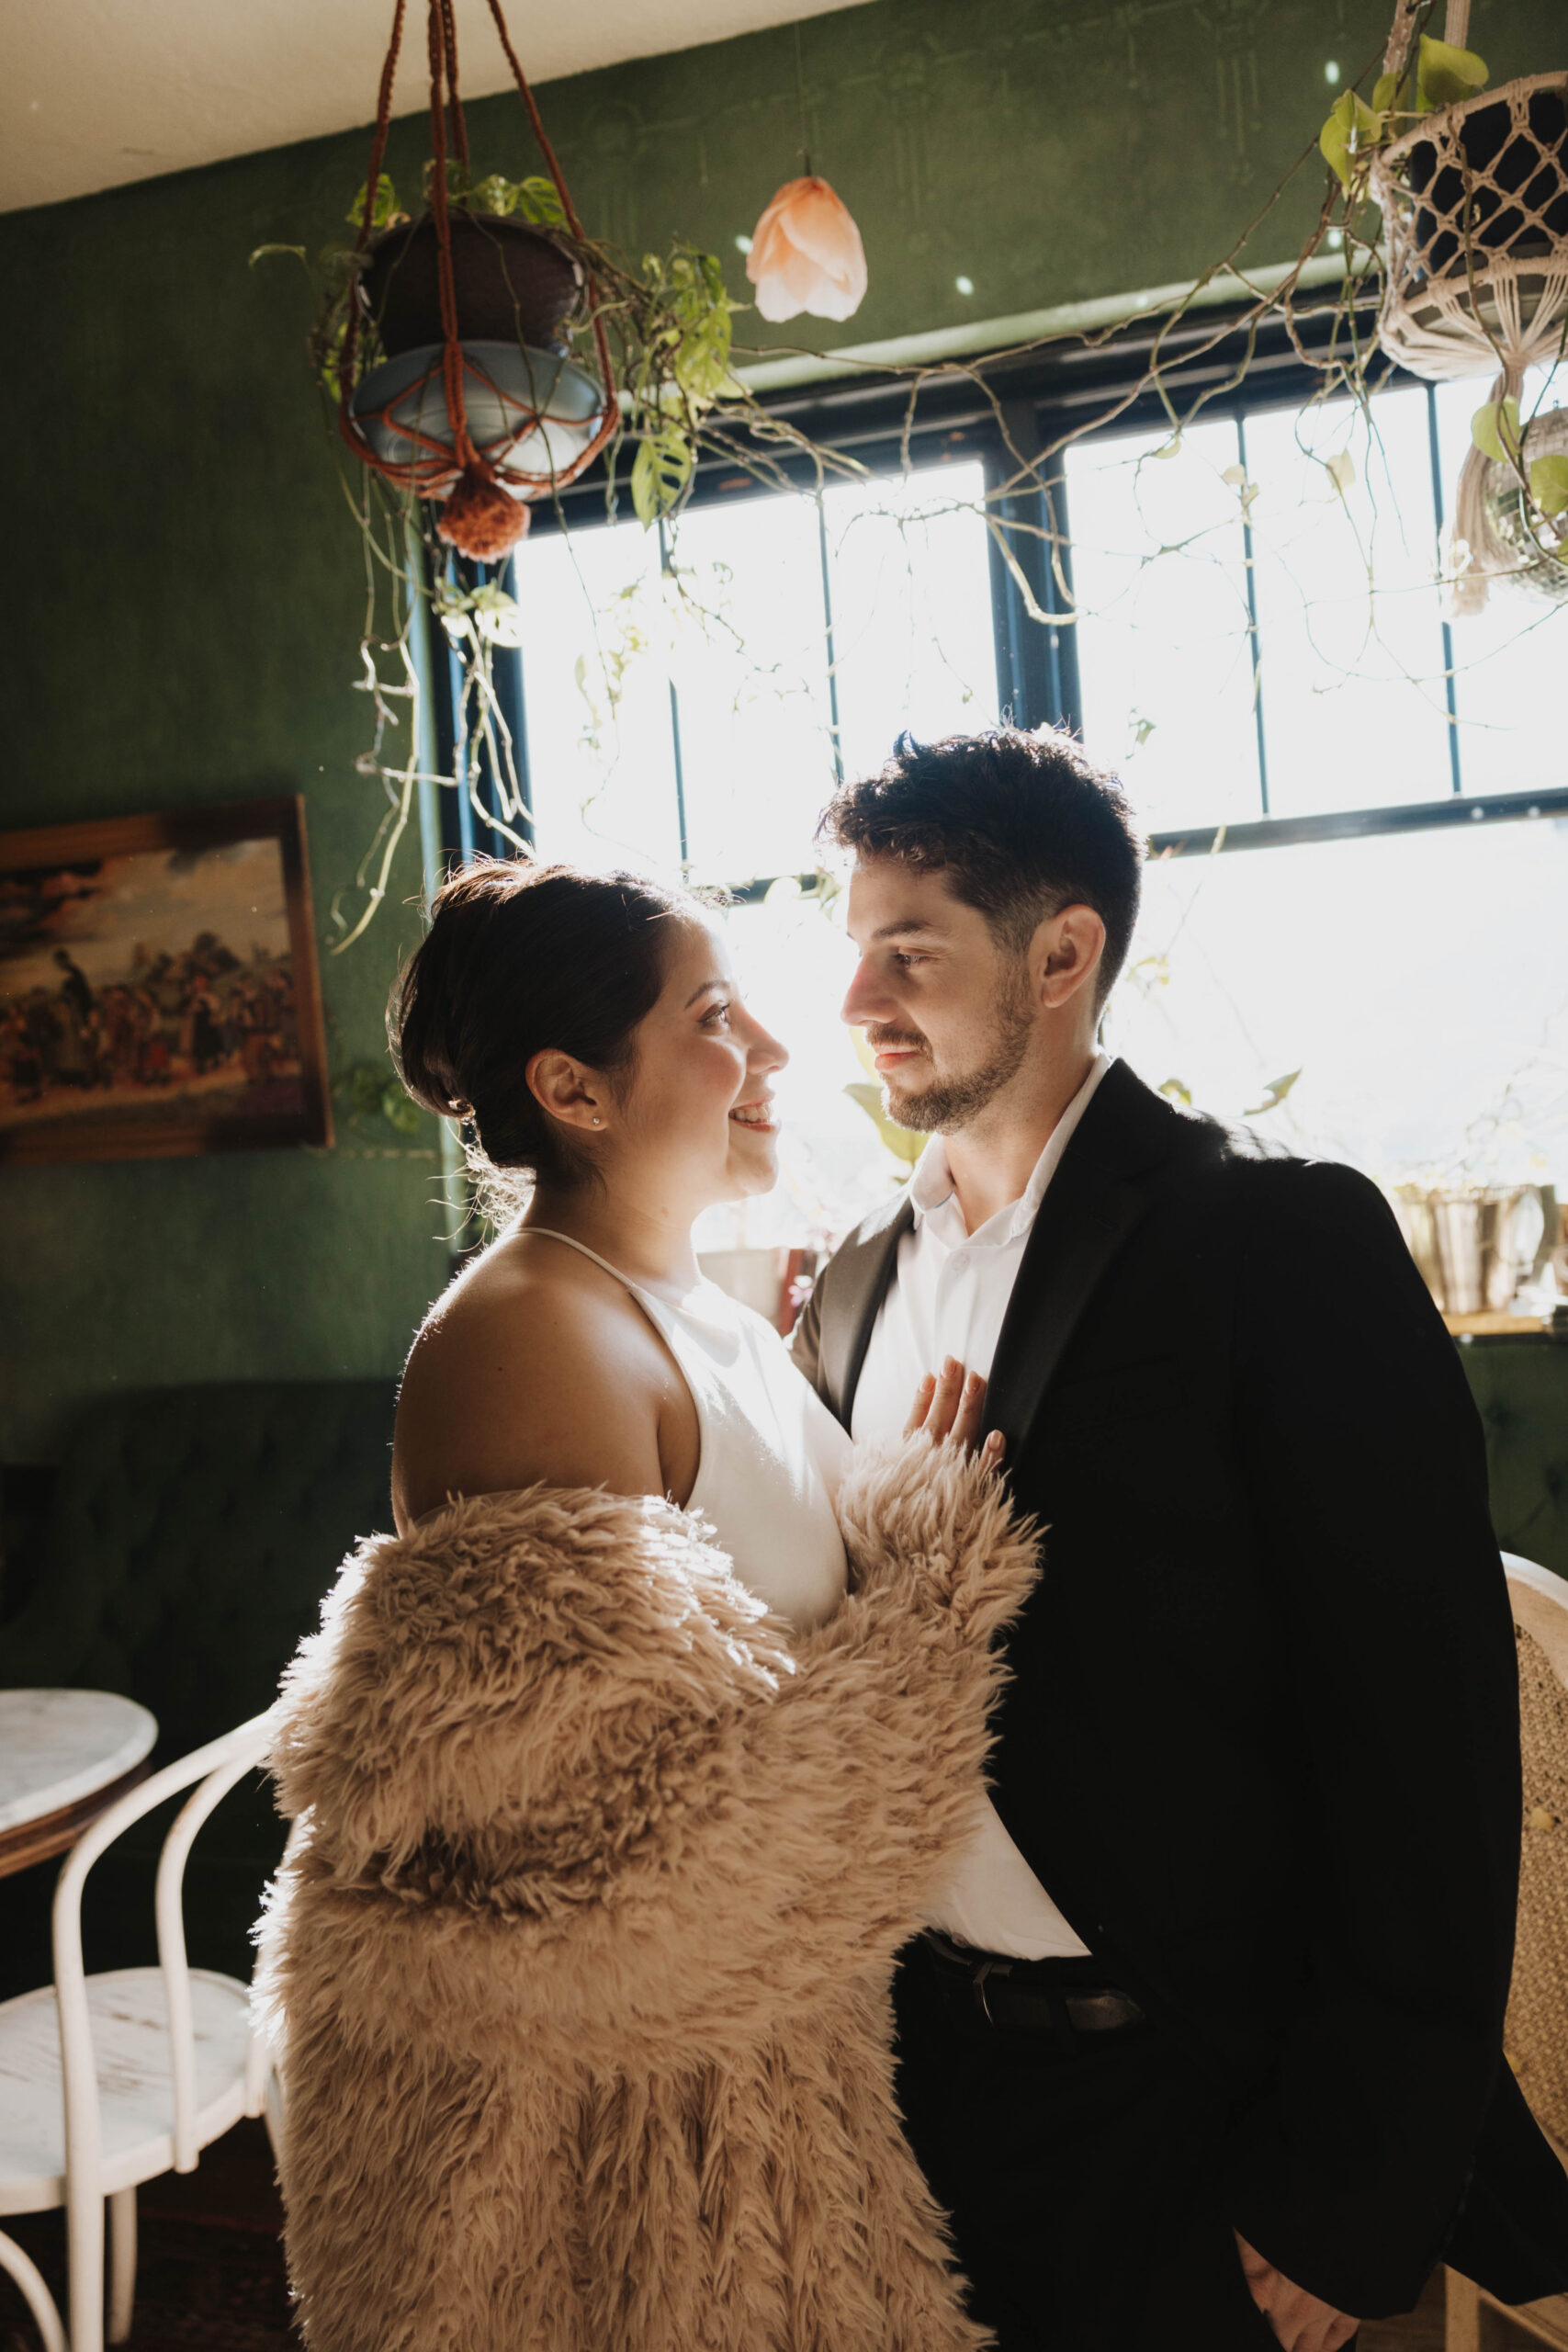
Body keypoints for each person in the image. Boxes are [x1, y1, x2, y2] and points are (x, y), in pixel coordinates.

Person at [792, 726, 1568, 2352]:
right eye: (852, 950)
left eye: (907, 950)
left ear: (1062, 952)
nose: (858, 1000)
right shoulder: (852, 1280)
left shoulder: (1277, 1241)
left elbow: (1426, 1745)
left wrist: (1348, 2185)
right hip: (909, 2092)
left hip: (1194, 2106)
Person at [255, 857, 1040, 2352]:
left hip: (767, 2095)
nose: (775, 1055)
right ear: (575, 1086)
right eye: (716, 1017)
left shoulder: (699, 1312)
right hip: (594, 2175)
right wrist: (938, 1604)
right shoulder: (529, 1334)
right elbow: (629, 1882)